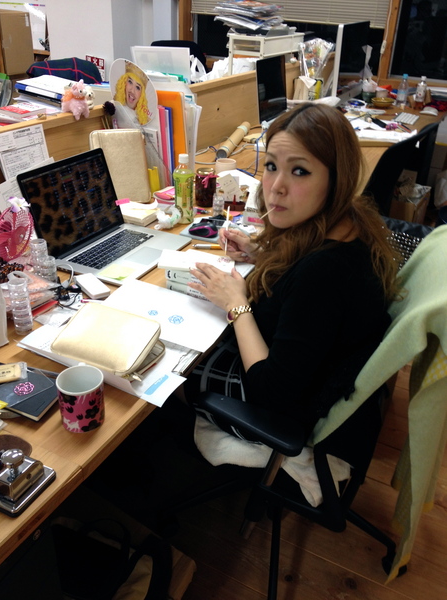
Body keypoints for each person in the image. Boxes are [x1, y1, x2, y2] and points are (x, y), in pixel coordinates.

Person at [88, 103, 402, 522]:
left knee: (155, 362)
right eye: (271, 166)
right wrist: (259, 252)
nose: (276, 188)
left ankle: (134, 477)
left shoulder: (326, 273)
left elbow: (271, 391)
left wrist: (236, 304)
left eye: (300, 171)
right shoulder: (345, 225)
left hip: (282, 405)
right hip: (311, 375)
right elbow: (303, 297)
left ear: (337, 179)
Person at [114, 61, 150, 126]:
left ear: (142, 94)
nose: (132, 91)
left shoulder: (147, 122)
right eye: (130, 82)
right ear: (123, 83)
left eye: (137, 87)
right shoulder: (115, 110)